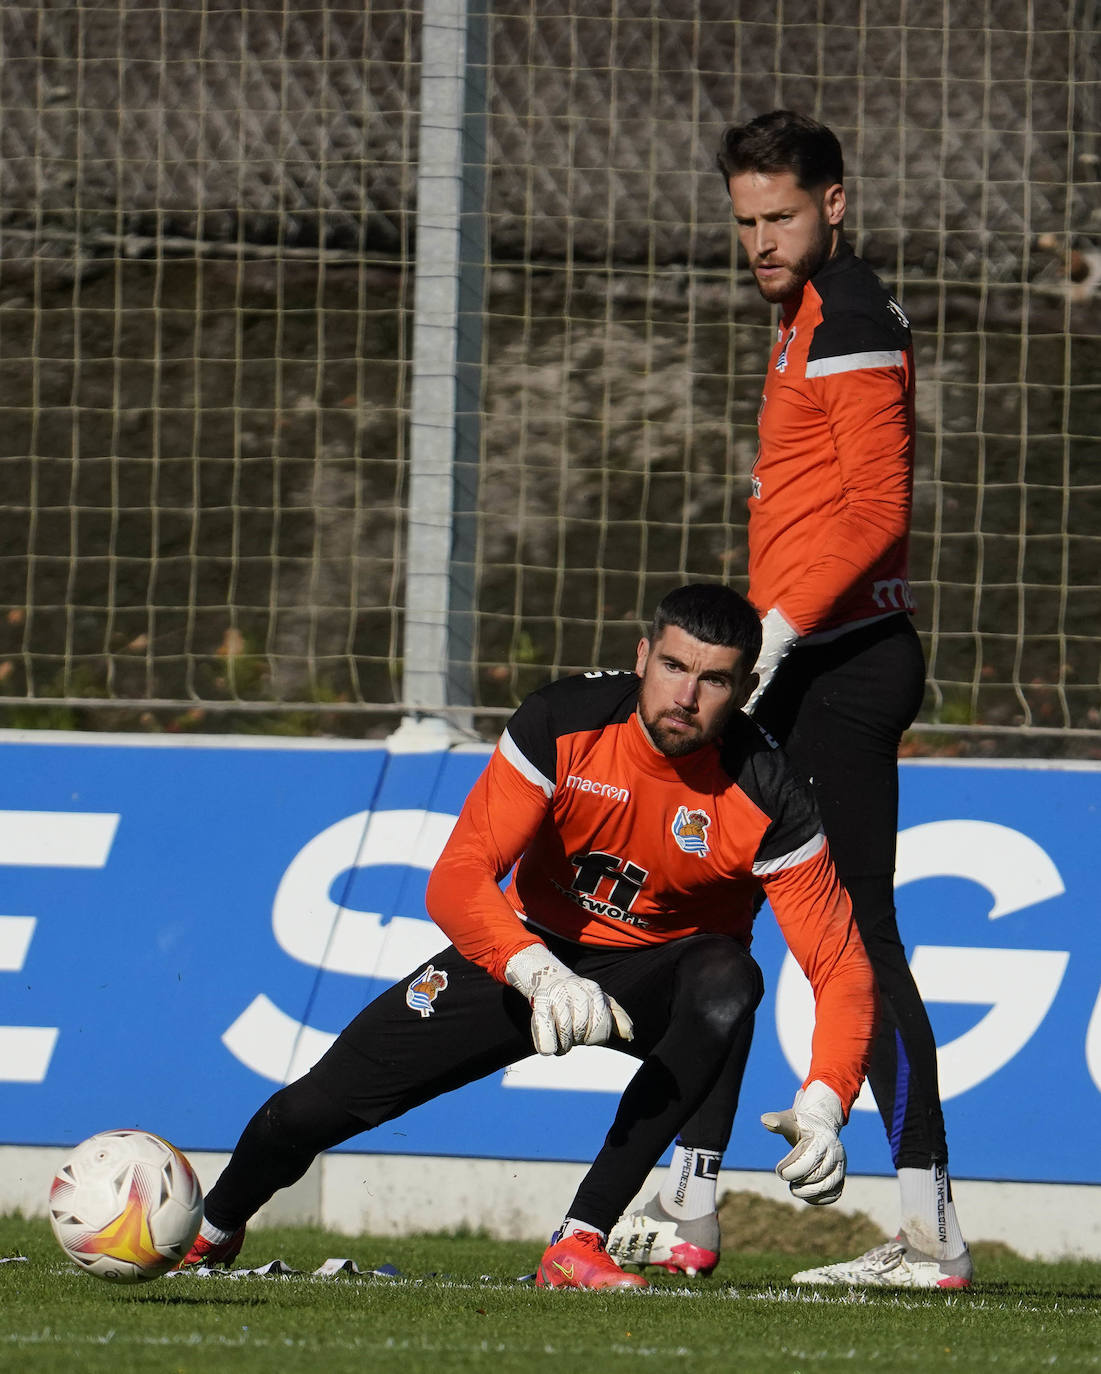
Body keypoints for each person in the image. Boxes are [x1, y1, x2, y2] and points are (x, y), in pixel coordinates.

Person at [181, 583, 876, 1289]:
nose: (685, 696)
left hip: (658, 978)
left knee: (728, 982)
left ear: (746, 687)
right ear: (642, 657)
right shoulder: (562, 719)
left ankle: (580, 1240)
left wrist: (825, 1099)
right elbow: (457, 878)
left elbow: (840, 964)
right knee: (309, 1110)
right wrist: (537, 972)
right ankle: (207, 1231)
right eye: (672, 667)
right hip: (526, 954)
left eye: (713, 680)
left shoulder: (767, 791)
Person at [607, 111, 972, 1291]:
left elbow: (876, 513)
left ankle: (929, 1234)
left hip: (839, 669)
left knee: (858, 940)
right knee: (721, 924)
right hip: (803, 663)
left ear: (835, 204)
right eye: (745, 222)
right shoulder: (802, 314)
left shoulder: (852, 319)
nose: (761, 241)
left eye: (780, 217)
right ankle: (694, 1201)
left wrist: (768, 631)